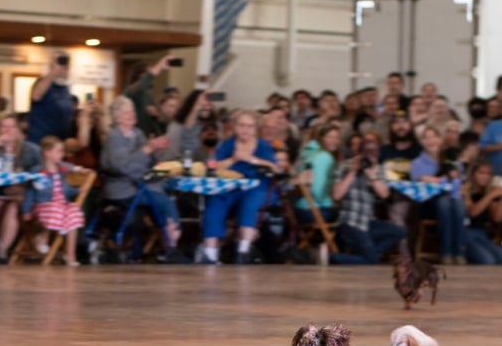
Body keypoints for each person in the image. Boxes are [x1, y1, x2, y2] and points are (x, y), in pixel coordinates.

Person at [100, 97, 183, 262]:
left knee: (169, 193)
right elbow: (122, 166)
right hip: (123, 189)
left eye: (132, 111)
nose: (131, 115)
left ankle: (167, 244)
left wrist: (157, 151)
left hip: (139, 184)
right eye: (125, 112)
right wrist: (148, 148)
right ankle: (171, 246)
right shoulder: (114, 138)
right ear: (116, 118)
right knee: (163, 201)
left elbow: (149, 161)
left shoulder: (138, 134)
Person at [202, 110, 281, 264]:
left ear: (255, 129)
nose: (246, 130)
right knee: (214, 203)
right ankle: (210, 254)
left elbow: (275, 168)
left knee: (249, 204)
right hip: (230, 185)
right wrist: (234, 158)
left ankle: (243, 251)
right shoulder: (228, 144)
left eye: (250, 126)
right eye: (242, 125)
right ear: (235, 127)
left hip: (257, 185)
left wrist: (251, 159)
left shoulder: (263, 145)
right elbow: (215, 166)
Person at [330, 139, 406, 265]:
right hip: (350, 222)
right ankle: (332, 257)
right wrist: (353, 171)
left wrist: (373, 176)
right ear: (359, 153)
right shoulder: (344, 166)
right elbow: (337, 195)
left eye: (373, 155)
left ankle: (366, 254)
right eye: (367, 154)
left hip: (368, 222)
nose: (370, 158)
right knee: (371, 261)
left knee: (400, 232)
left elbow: (384, 194)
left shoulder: (379, 169)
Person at [30, 137, 94, 266]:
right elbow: (31, 192)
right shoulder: (38, 172)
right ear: (48, 153)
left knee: (74, 213)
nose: (62, 154)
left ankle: (70, 254)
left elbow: (66, 187)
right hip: (44, 205)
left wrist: (78, 188)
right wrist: (26, 209)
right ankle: (43, 237)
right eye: (59, 151)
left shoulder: (61, 169)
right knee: (56, 210)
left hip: (61, 204)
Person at [0, 114, 42, 256]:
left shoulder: (30, 149)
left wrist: (25, 174)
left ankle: (0, 252)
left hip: (21, 192)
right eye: (4, 127)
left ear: (17, 129)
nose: (8, 130)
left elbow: (41, 168)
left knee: (12, 210)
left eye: (11, 127)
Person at [411, 126, 466, 264]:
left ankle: (458, 251)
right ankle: (446, 251)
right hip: (428, 203)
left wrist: (435, 180)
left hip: (453, 199)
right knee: (445, 202)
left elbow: (457, 184)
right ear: (421, 142)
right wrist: (444, 181)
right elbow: (420, 187)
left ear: (440, 139)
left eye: (433, 136)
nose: (430, 140)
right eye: (426, 137)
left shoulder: (451, 159)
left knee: (457, 203)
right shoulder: (417, 163)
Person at [460, 160, 502, 265]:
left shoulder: (488, 192)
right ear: (473, 174)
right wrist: (491, 195)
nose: (485, 176)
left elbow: (498, 218)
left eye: (488, 173)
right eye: (481, 173)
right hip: (465, 234)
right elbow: (473, 212)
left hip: (482, 235)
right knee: (488, 261)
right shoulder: (465, 190)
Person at [294, 124, 341, 222]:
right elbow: (319, 191)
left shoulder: (307, 153)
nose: (334, 141)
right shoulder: (325, 157)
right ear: (321, 138)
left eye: (337, 138)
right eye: (330, 137)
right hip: (314, 210)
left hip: (299, 209)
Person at [123, 54, 177, 136]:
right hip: (135, 141)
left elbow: (163, 124)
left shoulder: (148, 96)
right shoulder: (131, 92)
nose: (152, 79)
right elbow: (141, 86)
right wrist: (160, 66)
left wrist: (158, 116)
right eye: (148, 74)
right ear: (140, 76)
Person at [28, 52, 75, 144]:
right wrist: (53, 71)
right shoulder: (43, 83)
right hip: (40, 141)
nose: (64, 69)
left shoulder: (65, 88)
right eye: (61, 66)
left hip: (59, 142)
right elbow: (36, 96)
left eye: (66, 67)